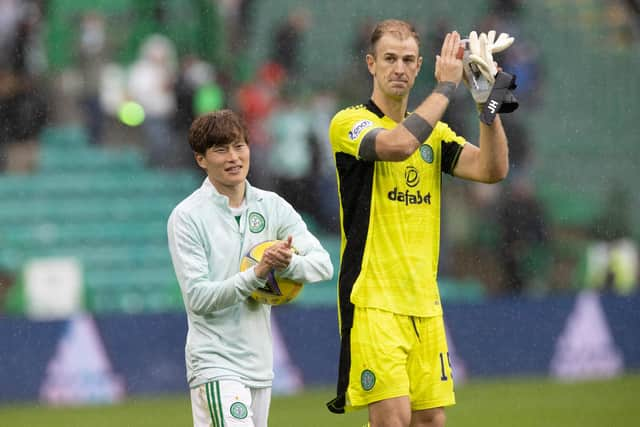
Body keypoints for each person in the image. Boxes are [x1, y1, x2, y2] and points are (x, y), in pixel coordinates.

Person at [326, 20, 511, 427]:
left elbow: (493, 169)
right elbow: (397, 145)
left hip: (424, 302)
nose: (399, 68)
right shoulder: (349, 122)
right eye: (390, 58)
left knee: (431, 421)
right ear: (371, 64)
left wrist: (486, 105)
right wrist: (447, 86)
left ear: (420, 64)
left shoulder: (437, 134)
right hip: (373, 300)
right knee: (393, 420)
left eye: (408, 59)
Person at [167, 109, 333, 427]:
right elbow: (198, 298)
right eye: (220, 149)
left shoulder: (272, 206)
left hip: (260, 365)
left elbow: (322, 265)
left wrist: (288, 264)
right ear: (201, 159)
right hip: (214, 363)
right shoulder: (187, 216)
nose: (233, 157)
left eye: (239, 146)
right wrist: (257, 274)